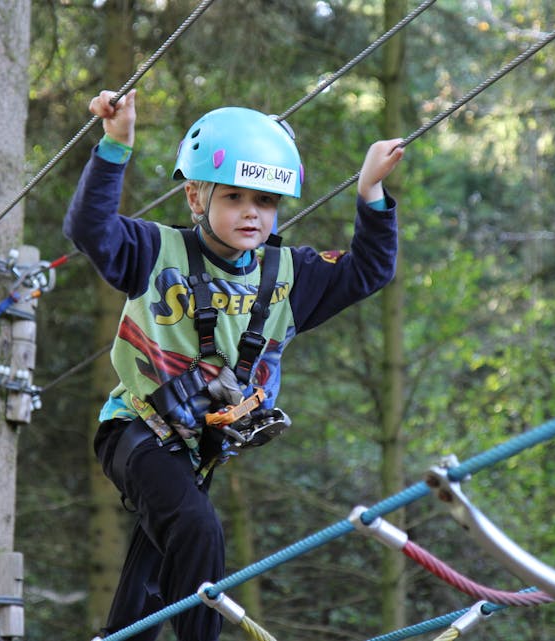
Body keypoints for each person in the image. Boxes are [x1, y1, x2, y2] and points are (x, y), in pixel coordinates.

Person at [64, 88, 404, 641]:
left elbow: (368, 271)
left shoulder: (291, 274)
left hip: (197, 451)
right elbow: (89, 230)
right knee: (199, 530)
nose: (252, 212)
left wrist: (371, 191)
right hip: (134, 431)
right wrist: (115, 145)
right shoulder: (154, 251)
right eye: (236, 198)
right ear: (197, 198)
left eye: (266, 202)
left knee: (156, 570)